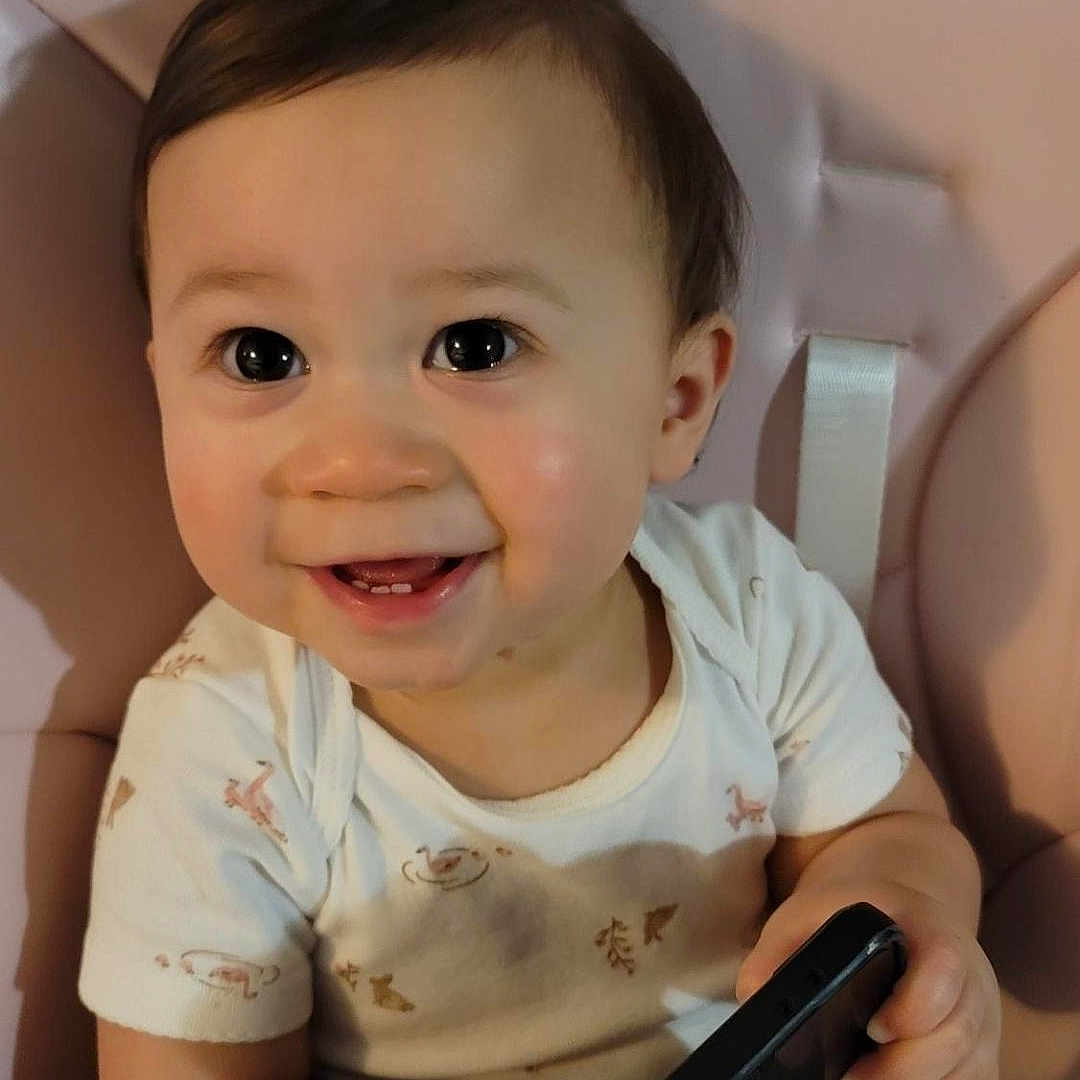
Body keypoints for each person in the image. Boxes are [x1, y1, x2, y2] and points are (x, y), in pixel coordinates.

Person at [77, 1, 1001, 1076]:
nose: (358, 460)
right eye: (260, 356)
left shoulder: (749, 608)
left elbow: (888, 834)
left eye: (473, 346)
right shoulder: (228, 745)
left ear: (676, 398)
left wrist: (900, 932)